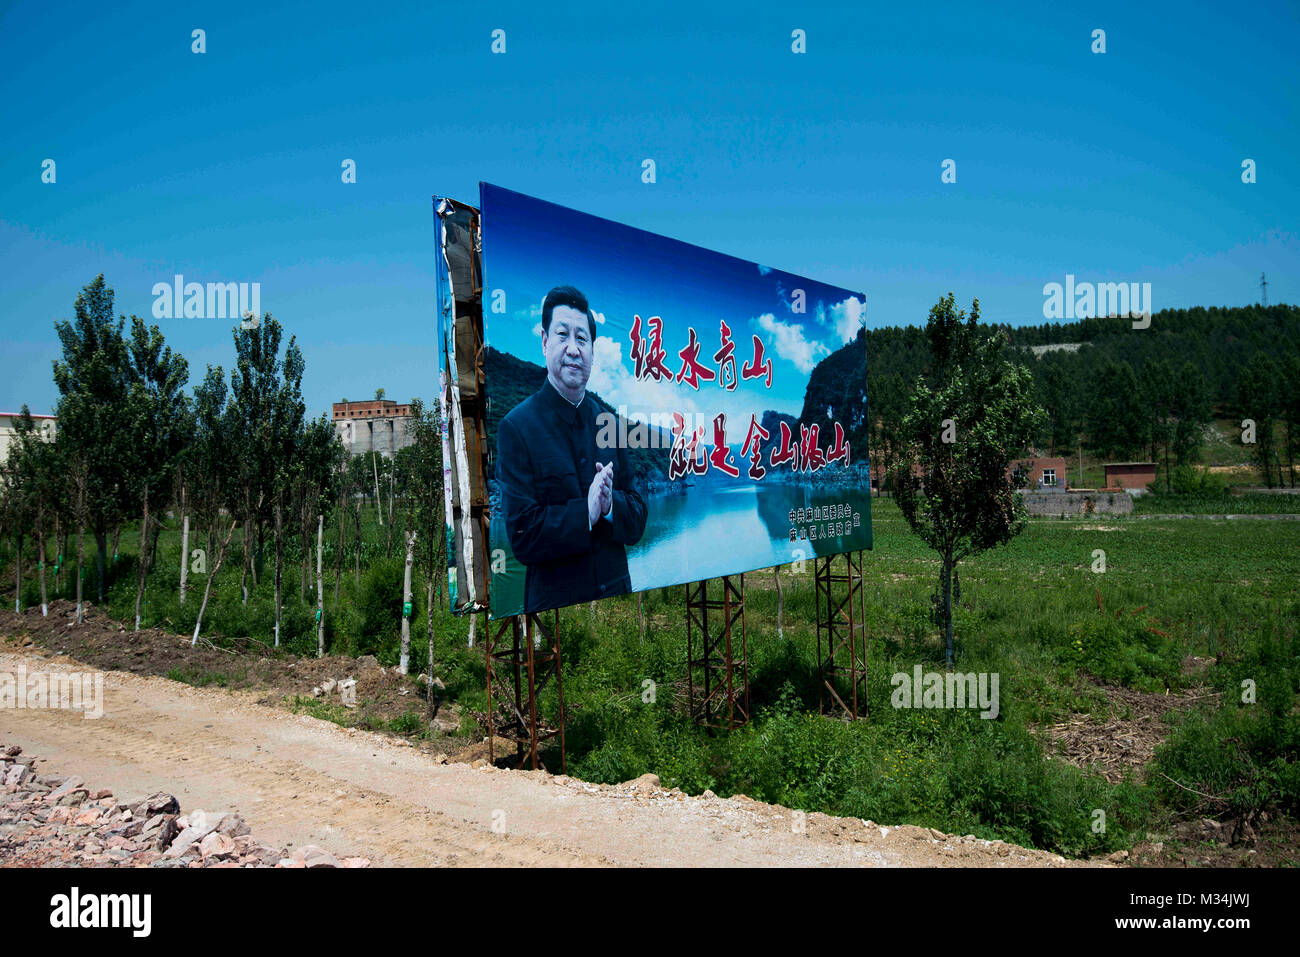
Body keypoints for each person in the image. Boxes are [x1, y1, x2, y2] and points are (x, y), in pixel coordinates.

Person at [495, 285, 647, 613]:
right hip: (557, 615)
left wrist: (609, 505)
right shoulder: (516, 427)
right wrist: (586, 513)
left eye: (582, 339)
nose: (574, 349)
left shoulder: (610, 423)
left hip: (617, 606)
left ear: (593, 350)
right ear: (544, 341)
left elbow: (637, 516)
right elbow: (522, 536)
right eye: (563, 334)